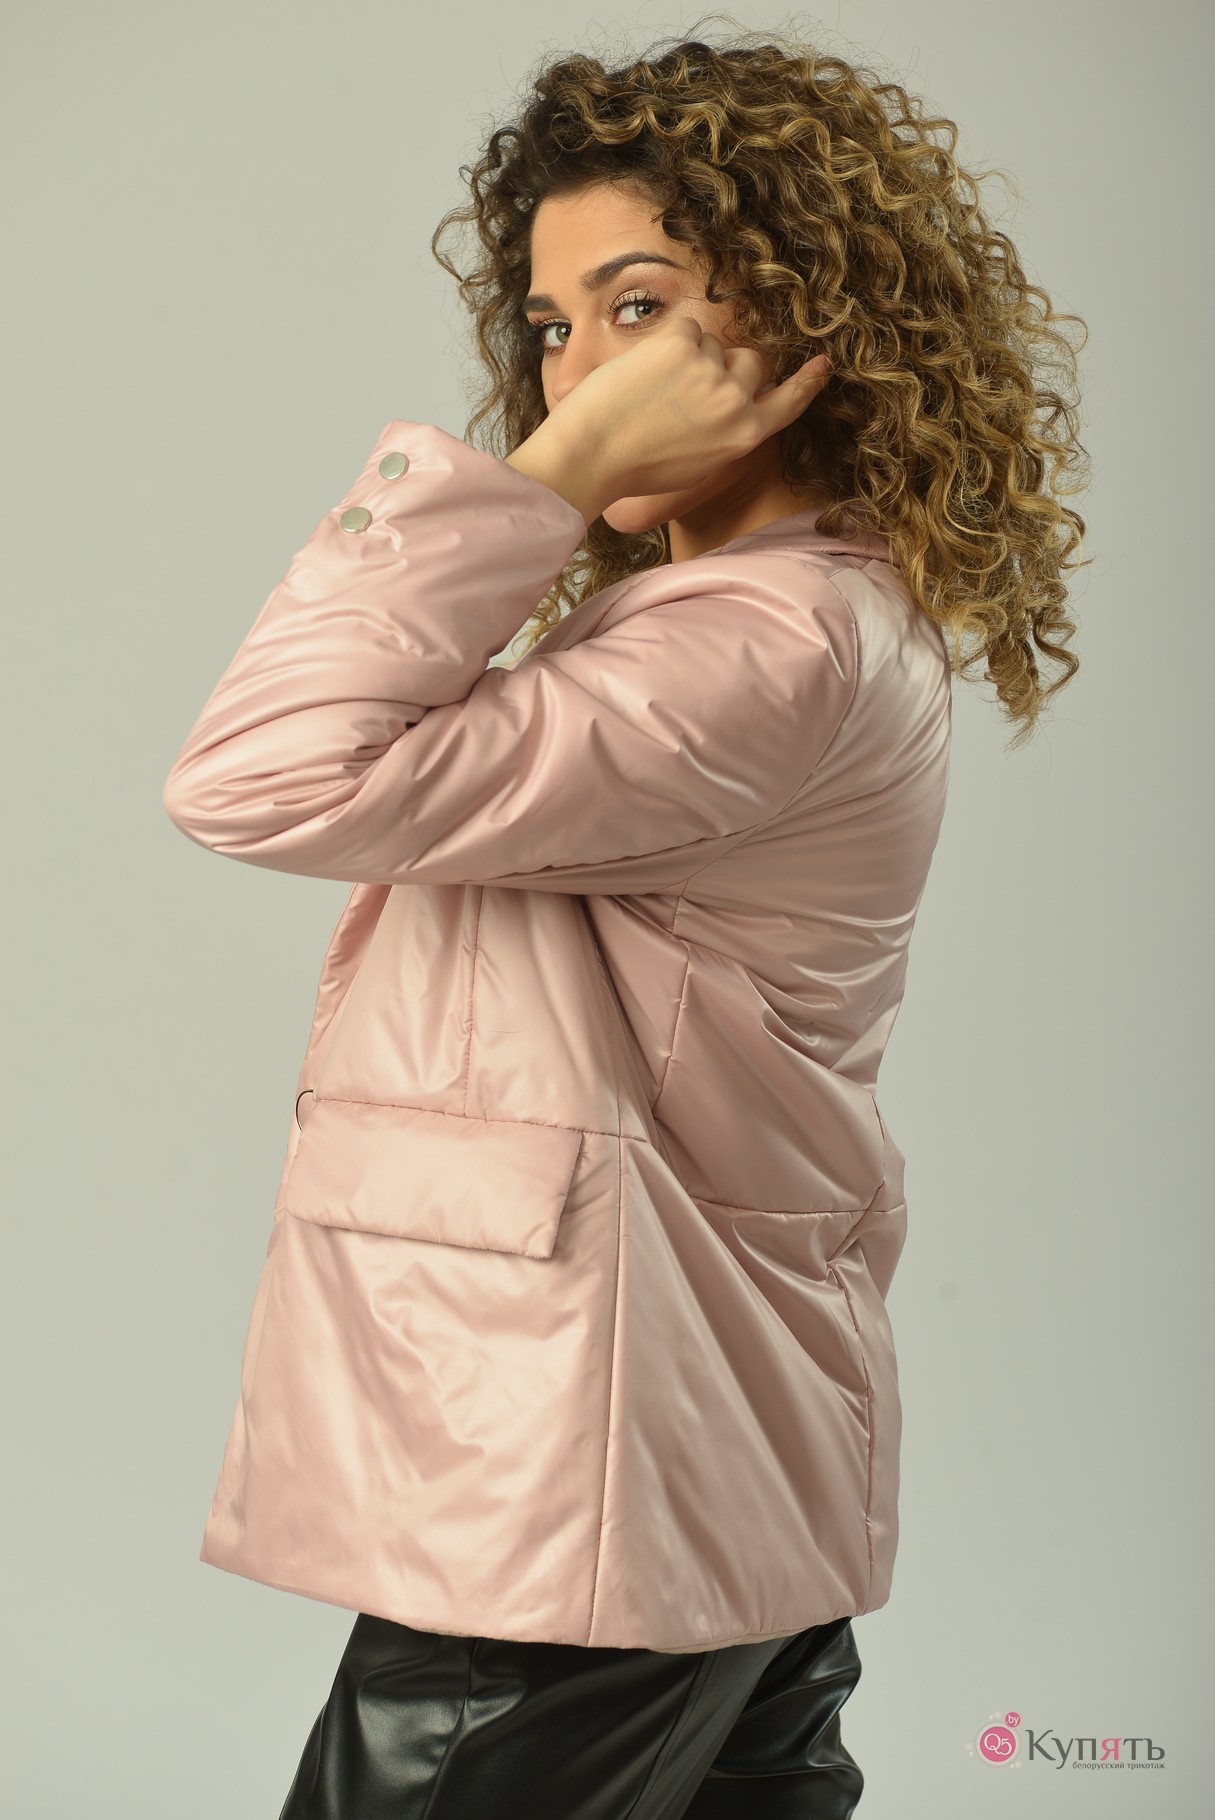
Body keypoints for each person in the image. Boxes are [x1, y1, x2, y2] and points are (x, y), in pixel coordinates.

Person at [161, 22, 1089, 1819]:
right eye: (551, 328)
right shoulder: (774, 620)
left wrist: (553, 468)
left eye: (638, 308)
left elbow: (261, 772)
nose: (575, 372)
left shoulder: (761, 649)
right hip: (683, 1458)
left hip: (581, 1493)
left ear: (804, 320)